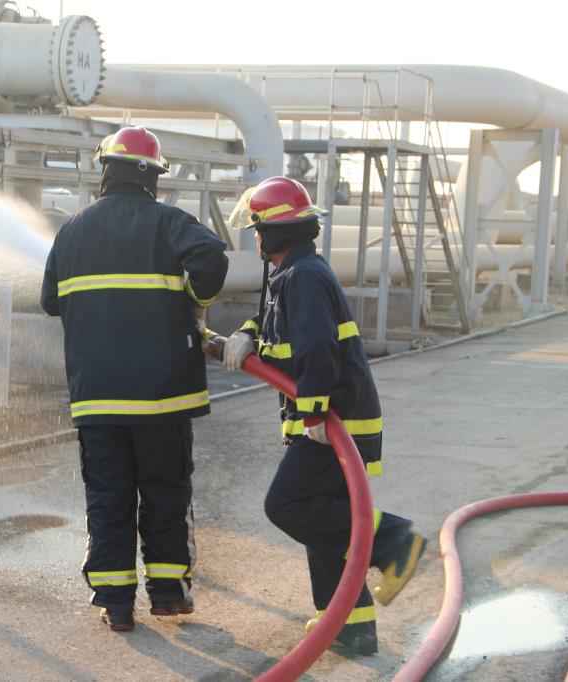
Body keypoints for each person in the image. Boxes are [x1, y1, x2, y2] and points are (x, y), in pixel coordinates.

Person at [220, 176, 426, 655]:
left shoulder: (305, 276)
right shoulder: (287, 274)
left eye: (258, 227)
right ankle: (351, 628)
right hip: (327, 419)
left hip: (335, 422)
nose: (254, 236)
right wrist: (245, 335)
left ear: (276, 232)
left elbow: (317, 349)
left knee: (288, 506)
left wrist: (313, 413)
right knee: (321, 526)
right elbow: (275, 328)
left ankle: (395, 539)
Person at [40, 127, 229, 632]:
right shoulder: (170, 223)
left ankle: (115, 603)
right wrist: (192, 296)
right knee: (166, 492)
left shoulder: (72, 230)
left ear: (106, 171)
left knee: (108, 497)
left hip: (97, 398)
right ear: (153, 177)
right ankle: (167, 594)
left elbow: (49, 302)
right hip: (163, 398)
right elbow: (211, 259)